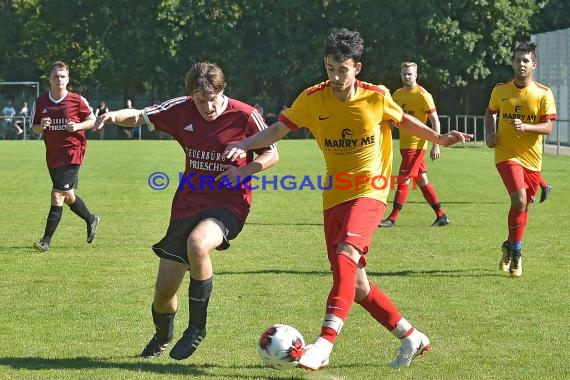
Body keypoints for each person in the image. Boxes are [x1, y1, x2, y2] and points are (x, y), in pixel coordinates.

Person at [223, 28, 471, 370]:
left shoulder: (376, 96)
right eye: (329, 68)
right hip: (334, 195)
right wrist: (245, 144)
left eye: (342, 69)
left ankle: (324, 345)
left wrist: (438, 139)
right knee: (356, 284)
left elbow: (406, 122)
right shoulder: (311, 98)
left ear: (357, 67)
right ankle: (411, 336)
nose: (335, 77)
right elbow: (278, 129)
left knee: (346, 255)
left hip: (372, 189)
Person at [94, 62, 278, 360]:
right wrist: (113, 116)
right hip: (188, 203)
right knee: (164, 292)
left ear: (223, 90)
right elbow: (140, 116)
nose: (207, 107)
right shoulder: (182, 109)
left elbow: (272, 153)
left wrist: (246, 171)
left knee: (198, 243)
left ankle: (196, 328)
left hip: (229, 203)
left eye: (212, 99)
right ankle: (163, 334)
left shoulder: (245, 115)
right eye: (200, 100)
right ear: (191, 95)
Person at [484, 41, 556, 277]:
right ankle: (517, 254)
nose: (521, 64)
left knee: (523, 206)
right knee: (519, 199)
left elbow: (548, 127)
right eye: (517, 60)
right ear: (512, 63)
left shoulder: (543, 93)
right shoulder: (500, 90)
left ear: (534, 64)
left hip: (533, 161)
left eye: (526, 60)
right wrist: (489, 133)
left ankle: (508, 245)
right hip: (506, 154)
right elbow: (490, 112)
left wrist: (526, 126)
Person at [31, 61, 100, 252]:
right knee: (68, 195)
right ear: (49, 79)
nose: (59, 79)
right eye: (56, 76)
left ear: (68, 79)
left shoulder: (77, 100)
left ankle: (45, 241)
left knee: (57, 193)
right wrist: (41, 126)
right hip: (53, 154)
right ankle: (91, 218)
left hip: (73, 152)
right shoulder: (41, 102)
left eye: (63, 76)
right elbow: (34, 128)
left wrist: (77, 126)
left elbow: (93, 121)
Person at [379, 62, 449, 228]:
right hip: (404, 146)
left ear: (416, 75)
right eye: (404, 74)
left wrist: (436, 144)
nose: (407, 76)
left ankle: (392, 218)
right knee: (422, 181)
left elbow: (435, 121)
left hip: (416, 146)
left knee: (402, 180)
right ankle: (441, 215)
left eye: (410, 74)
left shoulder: (423, 95)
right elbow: (392, 118)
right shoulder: (397, 95)